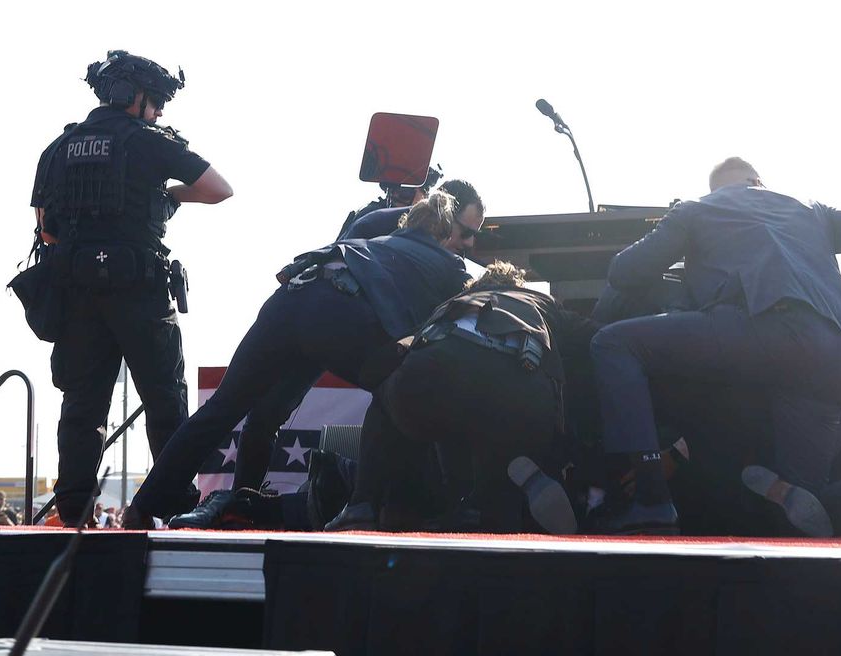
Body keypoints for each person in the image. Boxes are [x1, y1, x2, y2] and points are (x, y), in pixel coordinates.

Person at [587, 157, 841, 535]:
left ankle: (651, 499)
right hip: (837, 355)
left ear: (717, 189)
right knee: (802, 504)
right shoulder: (810, 209)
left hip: (763, 329)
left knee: (614, 343)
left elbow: (624, 272)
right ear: (759, 181)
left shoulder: (699, 208)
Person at [124, 193, 474, 529]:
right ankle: (364, 504)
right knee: (394, 392)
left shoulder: (377, 236)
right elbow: (474, 312)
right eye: (466, 235)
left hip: (292, 297)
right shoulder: (450, 264)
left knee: (225, 408)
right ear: (443, 235)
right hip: (338, 318)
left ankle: (146, 505)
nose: (469, 244)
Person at [30, 50, 233, 526]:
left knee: (82, 405)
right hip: (140, 290)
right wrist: (168, 196)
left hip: (76, 291)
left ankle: (74, 509)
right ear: (130, 95)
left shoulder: (58, 147)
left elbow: (46, 229)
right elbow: (219, 189)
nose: (159, 112)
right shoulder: (150, 142)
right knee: (164, 400)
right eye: (156, 101)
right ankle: (174, 504)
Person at [226, 179, 488, 502]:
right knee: (267, 411)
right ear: (447, 217)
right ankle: (242, 501)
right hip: (334, 330)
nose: (469, 244)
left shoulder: (441, 256)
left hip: (360, 336)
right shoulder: (380, 223)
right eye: (465, 232)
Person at [327, 261, 599, 534]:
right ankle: (499, 497)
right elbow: (597, 337)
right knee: (501, 433)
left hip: (438, 373)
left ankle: (364, 505)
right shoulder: (540, 303)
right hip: (521, 393)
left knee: (392, 403)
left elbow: (386, 360)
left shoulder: (454, 304)